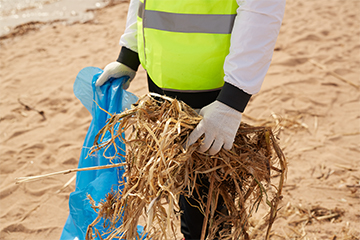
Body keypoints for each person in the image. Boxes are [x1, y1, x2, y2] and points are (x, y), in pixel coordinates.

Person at [96, 0, 286, 239]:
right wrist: (129, 55)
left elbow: (262, 9)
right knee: (184, 191)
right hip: (160, 83)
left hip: (211, 92)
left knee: (205, 208)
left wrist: (231, 101)